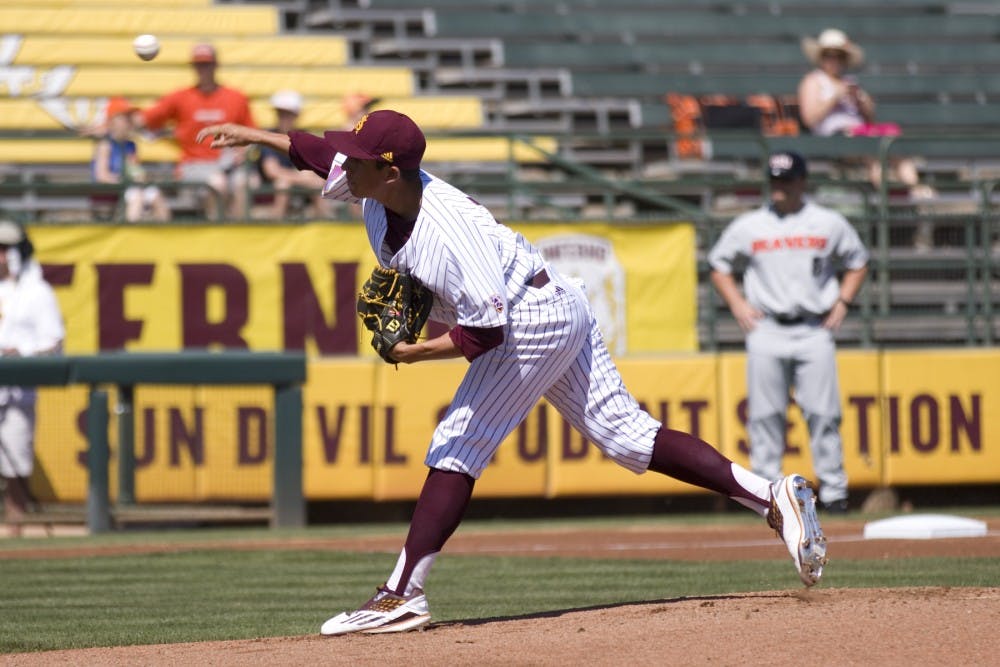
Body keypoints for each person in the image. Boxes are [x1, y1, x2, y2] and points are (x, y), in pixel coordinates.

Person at [195, 112, 829, 636]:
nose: (343, 163)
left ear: (389, 171)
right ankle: (768, 496)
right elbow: (313, 148)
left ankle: (401, 595)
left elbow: (487, 335)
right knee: (627, 437)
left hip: (530, 318)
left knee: (459, 442)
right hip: (550, 300)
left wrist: (413, 354)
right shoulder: (375, 184)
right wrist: (256, 136)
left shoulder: (449, 235)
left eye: (358, 158)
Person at [708, 151, 869, 517]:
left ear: (802, 181)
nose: (778, 188)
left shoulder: (827, 222)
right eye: (774, 180)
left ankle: (834, 491)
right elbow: (718, 264)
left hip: (813, 326)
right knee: (765, 415)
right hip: (767, 328)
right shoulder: (751, 224)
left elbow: (858, 260)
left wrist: (843, 301)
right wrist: (737, 304)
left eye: (786, 180)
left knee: (823, 413)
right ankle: (768, 494)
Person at [797, 28, 936, 250]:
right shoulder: (813, 82)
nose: (834, 60)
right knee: (874, 156)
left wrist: (861, 102)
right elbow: (810, 118)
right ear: (822, 57)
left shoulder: (851, 82)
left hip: (863, 135)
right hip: (836, 139)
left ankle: (919, 197)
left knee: (898, 151)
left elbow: (869, 118)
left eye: (839, 56)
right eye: (829, 55)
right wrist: (835, 96)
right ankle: (887, 210)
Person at [134, 43, 256, 220]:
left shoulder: (235, 97)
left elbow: (252, 134)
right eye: (199, 65)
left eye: (206, 64)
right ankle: (218, 230)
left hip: (227, 163)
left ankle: (242, 232)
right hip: (194, 164)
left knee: (243, 182)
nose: (203, 69)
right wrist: (117, 116)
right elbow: (146, 118)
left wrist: (243, 151)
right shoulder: (181, 97)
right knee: (216, 182)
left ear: (215, 65)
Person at [0, 221, 65, 538]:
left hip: (16, 392)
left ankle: (14, 533)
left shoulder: (36, 292)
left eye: (3, 250)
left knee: (15, 466)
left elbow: (54, 344)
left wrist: (21, 353)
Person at [91, 97, 171, 223]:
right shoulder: (105, 145)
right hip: (108, 190)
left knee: (155, 194)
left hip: (127, 188)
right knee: (136, 196)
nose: (129, 122)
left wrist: (140, 179)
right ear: (112, 121)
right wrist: (124, 181)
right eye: (125, 117)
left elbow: (135, 171)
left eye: (130, 118)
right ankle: (130, 234)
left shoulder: (131, 145)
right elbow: (102, 176)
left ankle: (164, 233)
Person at [256, 90, 330, 219]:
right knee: (283, 185)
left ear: (296, 115)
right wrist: (302, 178)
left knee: (316, 184)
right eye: (280, 113)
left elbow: (314, 170)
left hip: (301, 186)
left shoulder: (306, 138)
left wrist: (304, 178)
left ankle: (328, 225)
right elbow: (272, 172)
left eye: (287, 114)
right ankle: (276, 226)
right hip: (271, 188)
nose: (283, 118)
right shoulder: (268, 137)